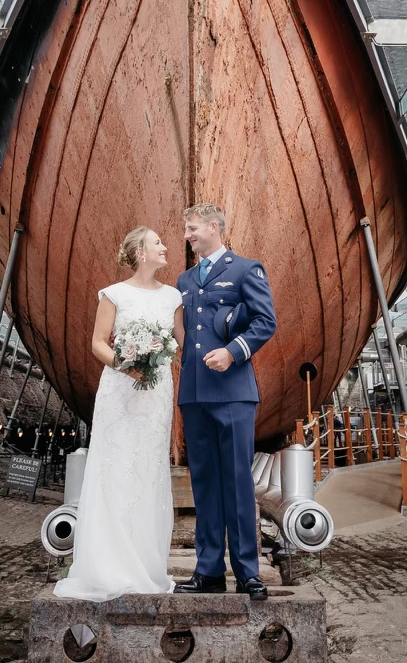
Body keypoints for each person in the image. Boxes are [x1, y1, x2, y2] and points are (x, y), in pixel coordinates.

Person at [54, 226, 184, 601]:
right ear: (141, 252)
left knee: (148, 469)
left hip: (156, 393)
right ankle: (106, 564)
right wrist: (126, 364)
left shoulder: (174, 296)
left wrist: (160, 355)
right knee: (114, 467)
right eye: (158, 242)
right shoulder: (113, 294)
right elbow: (97, 342)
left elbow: (179, 343)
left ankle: (145, 564)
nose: (165, 247)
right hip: (119, 391)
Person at [174, 203, 277, 601]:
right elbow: (186, 330)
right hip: (195, 394)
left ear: (215, 227)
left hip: (233, 392)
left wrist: (234, 352)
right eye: (186, 229)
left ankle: (249, 573)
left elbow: (265, 321)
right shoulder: (184, 279)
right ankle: (208, 571)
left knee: (236, 482)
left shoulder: (245, 269)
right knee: (204, 484)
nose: (188, 235)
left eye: (193, 228)